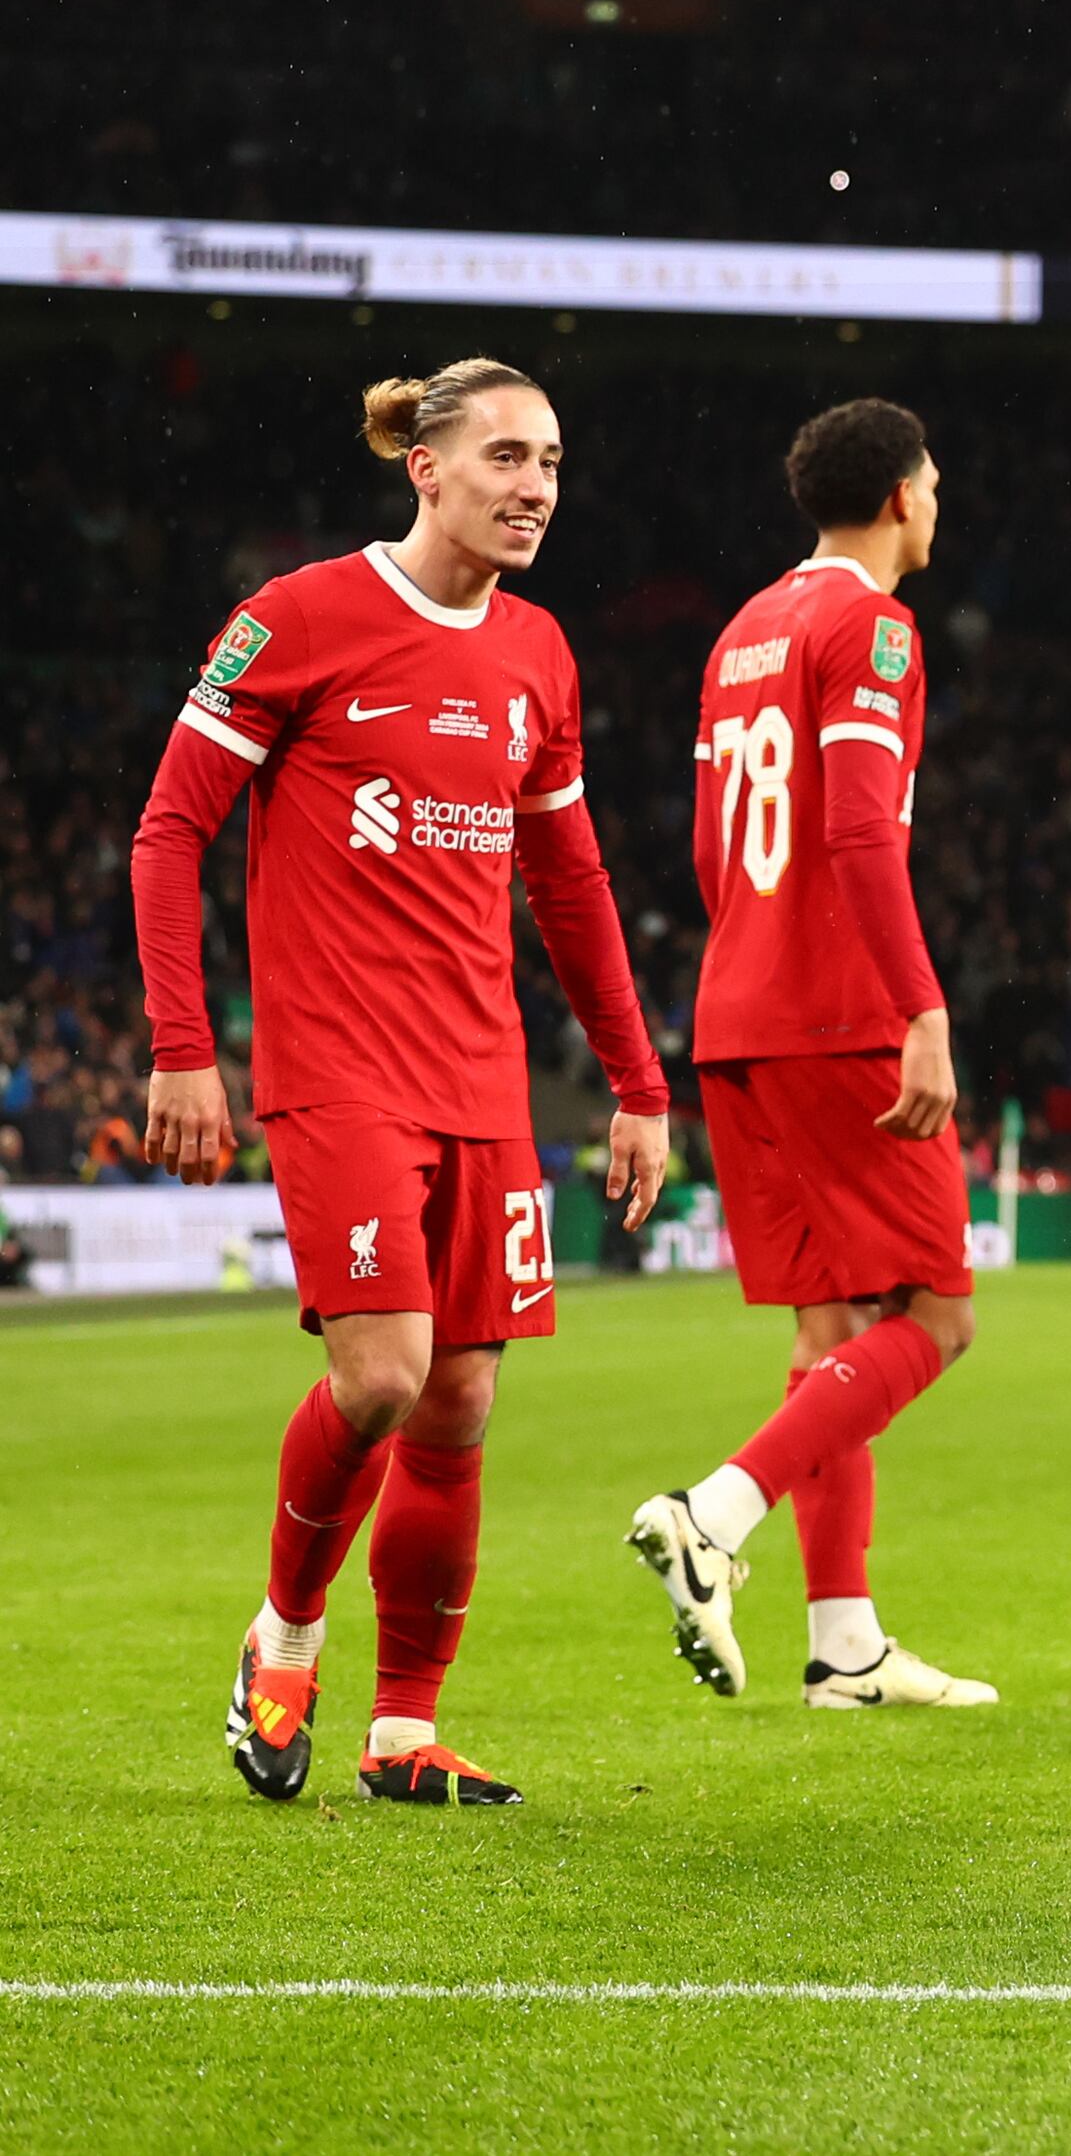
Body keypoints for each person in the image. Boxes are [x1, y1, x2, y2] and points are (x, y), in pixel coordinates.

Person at [129, 359, 673, 1808]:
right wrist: (186, 1045)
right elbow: (169, 830)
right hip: (339, 1071)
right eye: (505, 456)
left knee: (461, 1411)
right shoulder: (296, 618)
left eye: (551, 461)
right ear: (424, 468)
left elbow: (572, 883)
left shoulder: (540, 656)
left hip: (485, 1082)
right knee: (382, 1376)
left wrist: (637, 1079)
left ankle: (404, 1730)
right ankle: (283, 1639)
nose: (536, 487)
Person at [623, 402, 995, 1712]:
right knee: (937, 1319)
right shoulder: (871, 627)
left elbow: (708, 840)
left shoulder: (741, 633)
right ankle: (716, 1515)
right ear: (901, 494)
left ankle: (845, 1646)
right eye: (936, 481)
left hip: (739, 1018)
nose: (940, 502)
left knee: (831, 1326)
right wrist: (922, 1008)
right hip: (841, 1019)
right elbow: (854, 831)